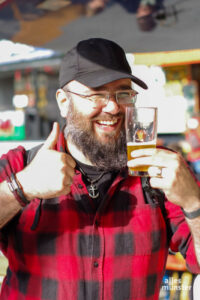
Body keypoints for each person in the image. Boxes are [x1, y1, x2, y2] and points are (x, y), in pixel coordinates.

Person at [0, 38, 200, 300]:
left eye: (123, 93)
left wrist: (193, 202)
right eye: (96, 93)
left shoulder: (160, 171)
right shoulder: (21, 166)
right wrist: (22, 187)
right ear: (63, 101)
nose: (114, 106)